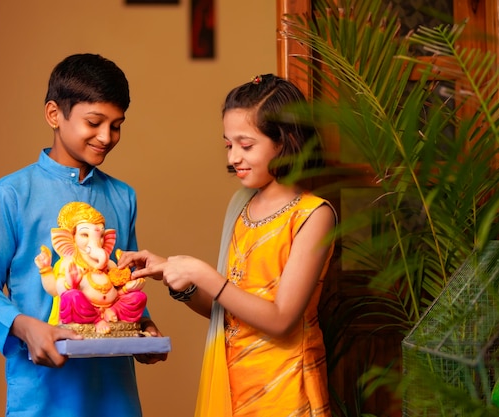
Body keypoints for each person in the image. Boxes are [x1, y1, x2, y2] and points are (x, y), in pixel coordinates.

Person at [118, 74, 337, 417]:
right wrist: (180, 280)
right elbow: (230, 313)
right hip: (233, 384)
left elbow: (281, 320)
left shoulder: (314, 215)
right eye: (228, 145)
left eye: (246, 145)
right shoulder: (241, 206)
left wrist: (202, 273)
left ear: (285, 141)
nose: (234, 156)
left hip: (287, 388)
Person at [0, 53, 166, 417]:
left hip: (114, 390)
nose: (106, 136)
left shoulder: (123, 196)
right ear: (54, 114)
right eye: (94, 122)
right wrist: (26, 328)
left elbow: (123, 277)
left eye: (116, 125)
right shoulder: (10, 195)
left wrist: (144, 326)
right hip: (42, 392)